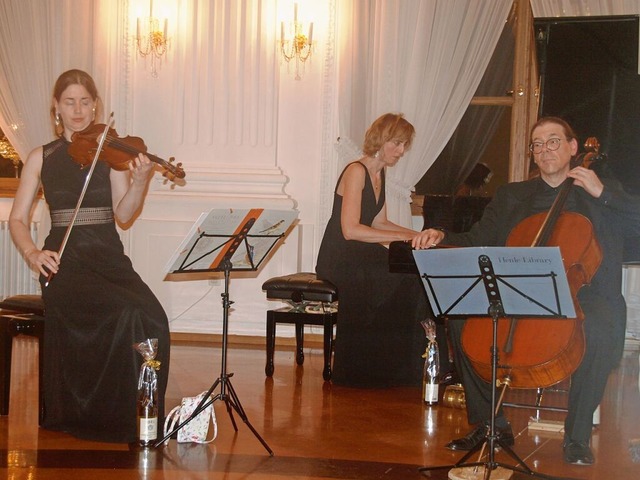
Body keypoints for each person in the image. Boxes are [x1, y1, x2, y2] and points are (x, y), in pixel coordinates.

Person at [419, 116, 640, 465]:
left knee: (600, 328)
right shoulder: (513, 196)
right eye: (537, 144)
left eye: (553, 141)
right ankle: (492, 423)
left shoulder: (598, 190)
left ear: (572, 147)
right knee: (463, 320)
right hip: (519, 290)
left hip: (584, 294)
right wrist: (441, 236)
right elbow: (478, 240)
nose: (544, 149)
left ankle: (577, 435)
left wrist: (604, 193)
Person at [8, 69, 171, 444]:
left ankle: (142, 416)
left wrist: (142, 181)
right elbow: (17, 219)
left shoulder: (109, 152)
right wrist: (33, 254)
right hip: (63, 265)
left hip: (109, 260)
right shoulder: (41, 157)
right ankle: (97, 417)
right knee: (126, 314)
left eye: (85, 101)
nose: (78, 110)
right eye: (70, 102)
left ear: (95, 105)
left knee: (153, 318)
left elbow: (125, 215)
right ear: (56, 108)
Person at [316, 112, 435, 388]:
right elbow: (351, 230)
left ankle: (397, 366)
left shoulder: (380, 172)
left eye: (404, 145)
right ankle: (369, 368)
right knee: (398, 276)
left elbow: (379, 221)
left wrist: (418, 235)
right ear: (381, 140)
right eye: (397, 143)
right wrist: (401, 238)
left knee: (412, 275)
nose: (401, 151)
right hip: (340, 256)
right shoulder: (356, 170)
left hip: (359, 254)